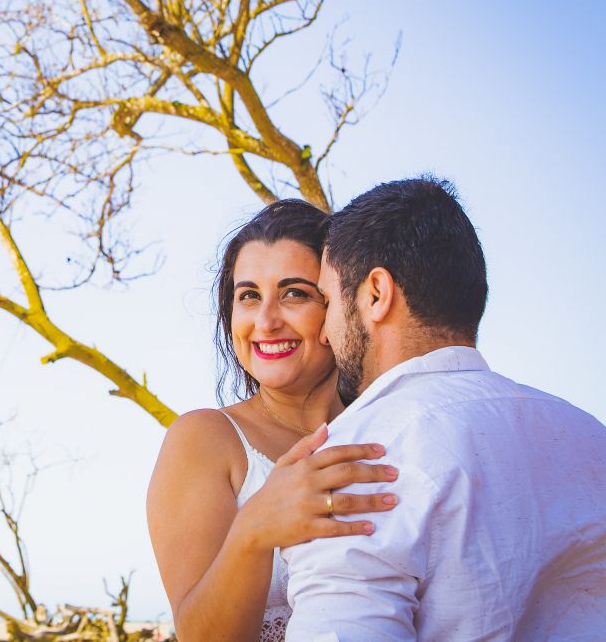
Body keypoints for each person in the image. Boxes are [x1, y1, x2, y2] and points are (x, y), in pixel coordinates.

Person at [284, 177, 606, 640]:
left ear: (376, 294)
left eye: (329, 301)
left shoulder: (355, 461)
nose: (322, 334)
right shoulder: (589, 435)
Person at [147, 199, 400, 642]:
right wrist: (255, 528)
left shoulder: (392, 428)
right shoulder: (205, 440)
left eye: (294, 293)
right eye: (248, 297)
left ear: (337, 307)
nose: (265, 321)